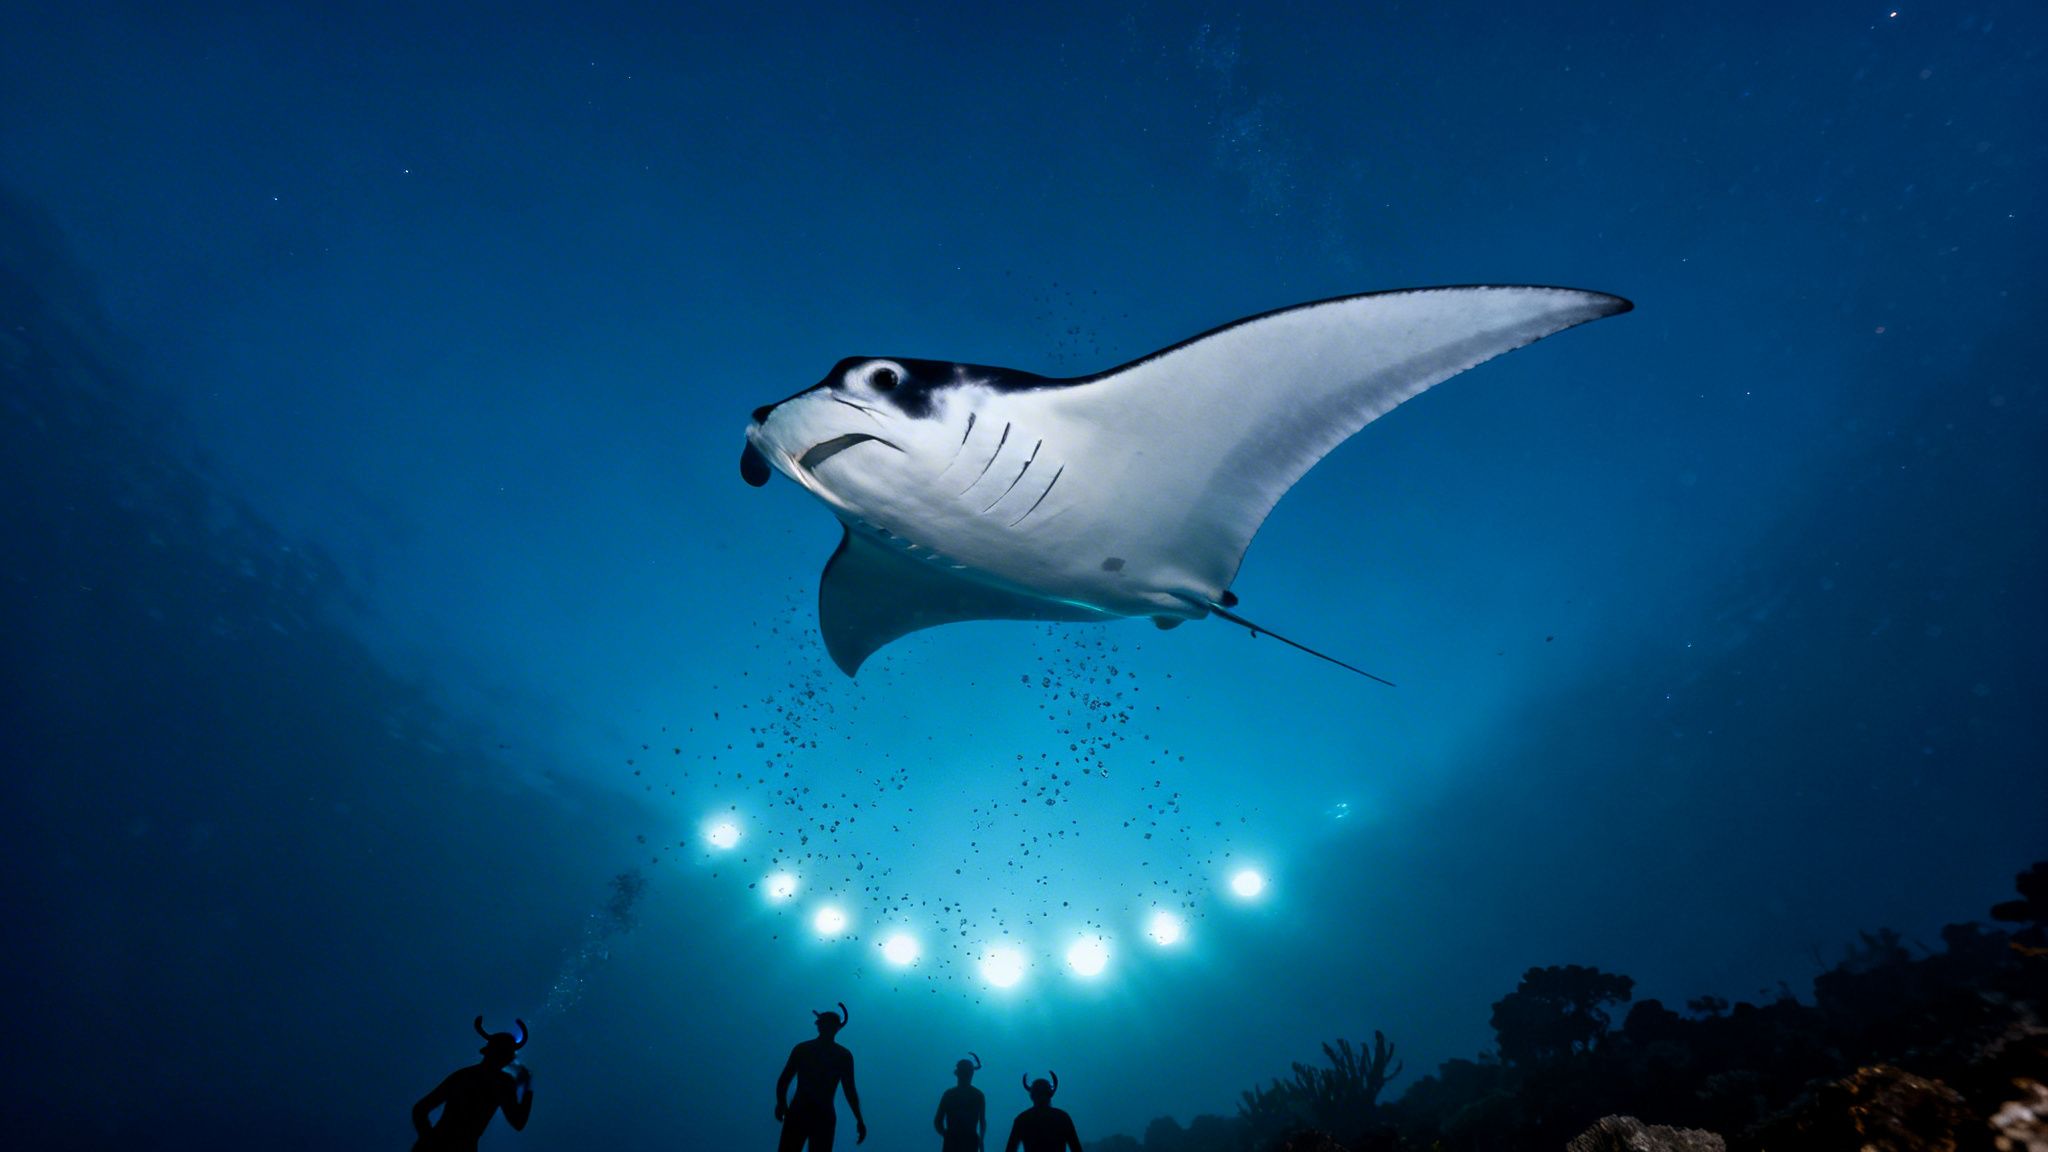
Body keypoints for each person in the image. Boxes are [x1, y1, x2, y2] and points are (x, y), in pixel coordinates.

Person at [411, 1016, 534, 1151]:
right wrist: (527, 1087)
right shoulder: (503, 1083)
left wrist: (429, 1140)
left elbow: (420, 1109)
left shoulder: (464, 1075)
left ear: (486, 1051)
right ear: (509, 1057)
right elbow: (518, 1122)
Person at [775, 1002, 867, 1151]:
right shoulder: (840, 1054)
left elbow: (849, 1090)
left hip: (808, 1112)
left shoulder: (808, 1050)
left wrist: (781, 1102)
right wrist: (781, 1102)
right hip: (813, 1113)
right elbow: (849, 1090)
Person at [1005, 1072, 1081, 1152]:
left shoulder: (1022, 1119)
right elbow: (1076, 1148)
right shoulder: (1062, 1117)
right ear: (1050, 1094)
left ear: (1032, 1096)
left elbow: (1010, 1149)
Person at [933, 1052, 986, 1152]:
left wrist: (947, 1136)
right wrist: (981, 1140)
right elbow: (982, 1122)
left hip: (960, 1144)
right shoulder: (978, 1095)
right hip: (968, 1143)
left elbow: (937, 1121)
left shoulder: (949, 1094)